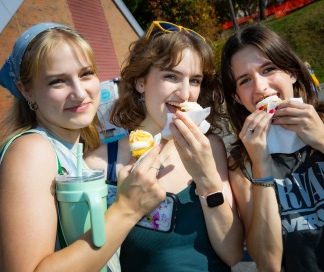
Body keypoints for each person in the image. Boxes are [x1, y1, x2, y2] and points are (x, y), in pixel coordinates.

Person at [0, 22, 165, 271]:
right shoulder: (32, 151)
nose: (80, 93)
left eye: (86, 74)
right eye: (58, 81)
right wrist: (128, 208)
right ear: (26, 91)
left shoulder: (70, 148)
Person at [85, 21, 244, 271]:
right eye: (171, 76)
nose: (185, 93)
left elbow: (233, 253)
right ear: (140, 82)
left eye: (194, 80)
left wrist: (207, 181)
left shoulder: (209, 146)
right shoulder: (100, 164)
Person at [220, 25, 324, 271]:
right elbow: (268, 263)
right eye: (245, 80)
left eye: (268, 69)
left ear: (291, 72)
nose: (259, 87)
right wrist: (261, 166)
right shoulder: (242, 164)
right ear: (237, 97)